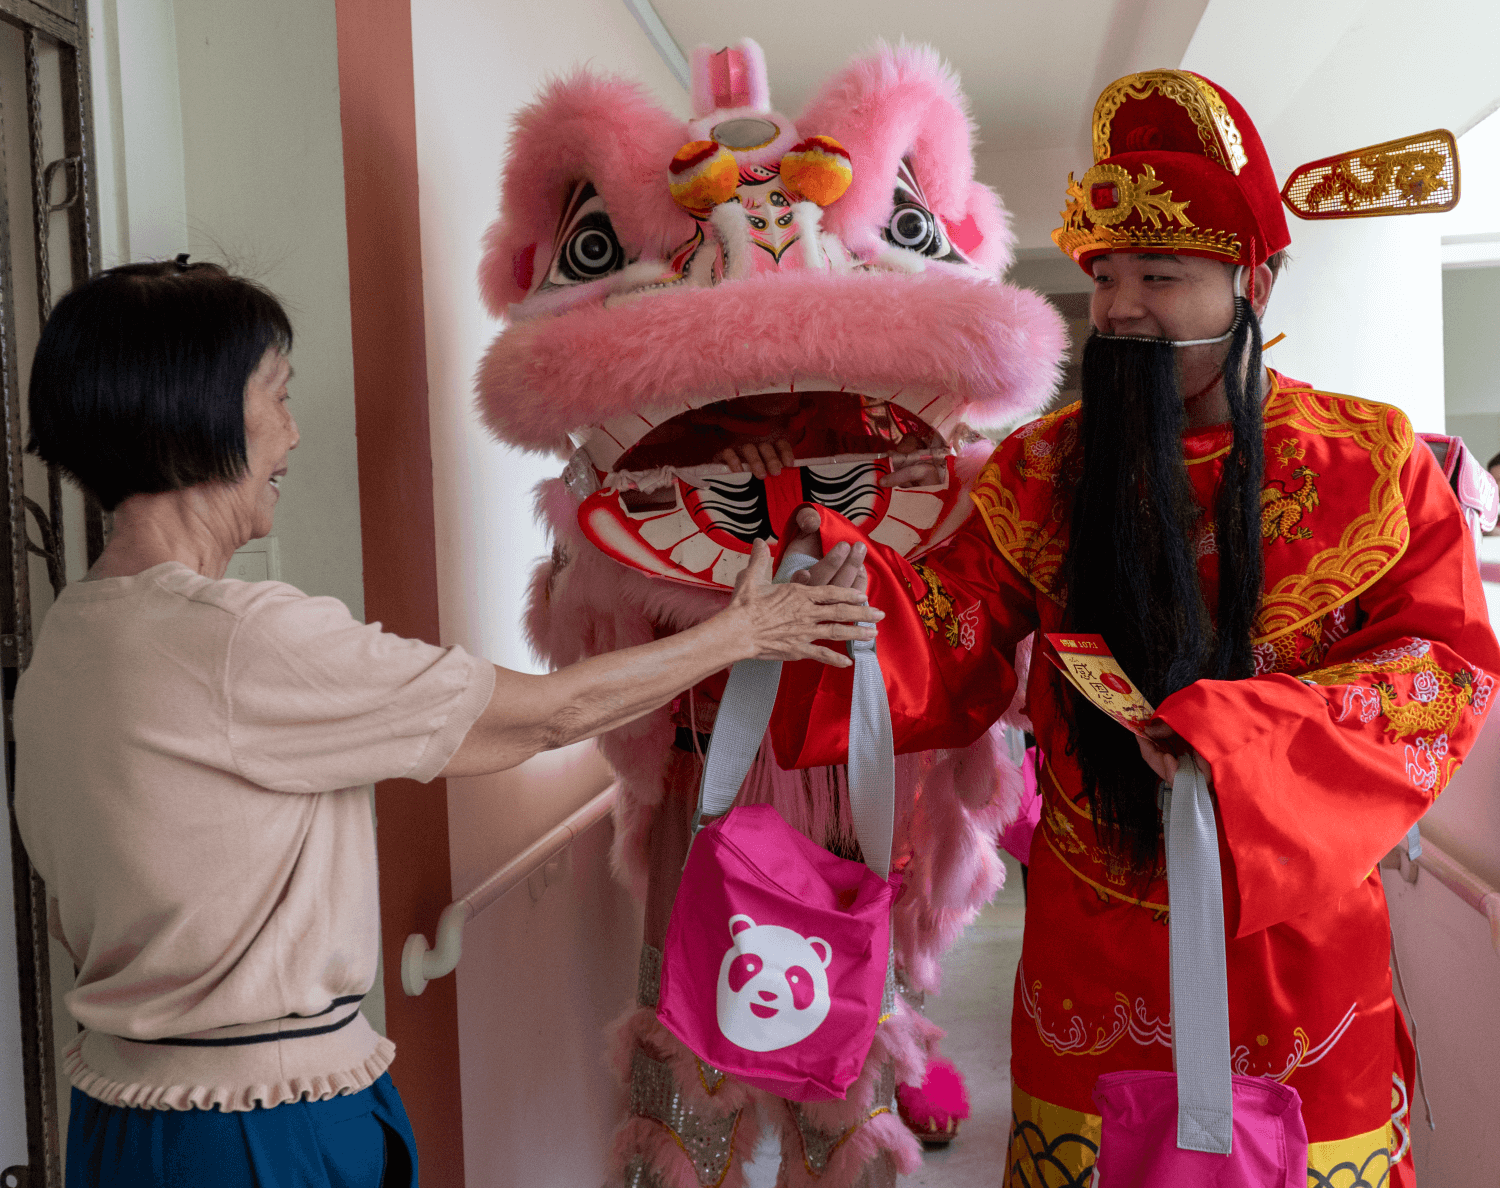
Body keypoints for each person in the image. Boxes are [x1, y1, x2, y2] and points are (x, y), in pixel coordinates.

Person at [767, 71, 1500, 1186]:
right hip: (1088, 962)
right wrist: (833, 585)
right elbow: (947, 628)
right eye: (1105, 276)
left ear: (1253, 280)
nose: (1117, 309)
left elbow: (1439, 677)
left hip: (1297, 969)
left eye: (1159, 275)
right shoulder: (1043, 467)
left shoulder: (1374, 463)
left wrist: (1246, 741)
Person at [12, 259, 881, 1188]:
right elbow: (549, 715)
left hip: (118, 1116)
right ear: (197, 413)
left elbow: (76, 919)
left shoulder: (67, 641)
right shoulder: (240, 641)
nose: (293, 435)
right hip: (258, 1130)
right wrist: (749, 631)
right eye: (278, 397)